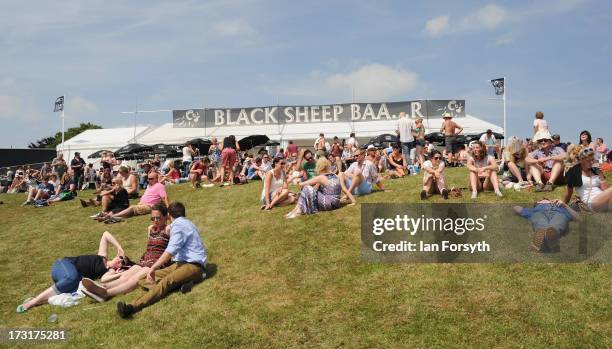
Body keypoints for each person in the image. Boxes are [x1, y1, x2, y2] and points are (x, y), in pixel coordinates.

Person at [116, 202, 208, 318]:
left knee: (165, 282)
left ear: (169, 214)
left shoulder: (178, 225)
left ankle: (131, 308)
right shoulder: (188, 223)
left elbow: (170, 251)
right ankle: (179, 285)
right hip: (180, 263)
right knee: (143, 279)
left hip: (194, 266)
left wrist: (153, 267)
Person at [16, 231, 128, 313]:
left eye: (122, 261)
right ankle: (33, 302)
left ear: (119, 268)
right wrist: (120, 247)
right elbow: (105, 234)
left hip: (69, 279)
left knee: (74, 287)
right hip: (63, 265)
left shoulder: (109, 271)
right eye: (121, 257)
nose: (119, 258)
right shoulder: (102, 256)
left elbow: (105, 280)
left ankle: (41, 300)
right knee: (73, 278)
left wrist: (119, 273)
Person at [81, 203, 172, 302]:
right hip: (145, 260)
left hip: (157, 263)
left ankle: (106, 294)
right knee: (125, 276)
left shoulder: (168, 229)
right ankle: (102, 287)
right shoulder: (150, 229)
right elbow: (150, 247)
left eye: (158, 218)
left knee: (134, 279)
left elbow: (173, 246)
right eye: (152, 218)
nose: (155, 221)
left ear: (165, 217)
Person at [285, 158, 354, 218]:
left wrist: (295, 180)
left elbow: (302, 184)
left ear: (319, 167)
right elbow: (344, 189)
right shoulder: (334, 175)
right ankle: (296, 210)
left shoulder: (321, 177)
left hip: (328, 204)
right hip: (336, 204)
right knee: (310, 190)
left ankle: (298, 211)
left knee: (306, 188)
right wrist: (353, 201)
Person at [513, 198, 581, 252]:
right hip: (539, 213)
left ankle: (545, 240)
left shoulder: (563, 208)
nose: (547, 201)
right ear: (537, 203)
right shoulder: (534, 210)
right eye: (542, 200)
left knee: (557, 223)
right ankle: (548, 239)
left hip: (560, 213)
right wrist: (533, 207)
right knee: (540, 221)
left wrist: (565, 205)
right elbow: (516, 208)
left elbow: (578, 218)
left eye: (549, 200)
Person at [98, 172, 169, 222]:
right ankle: (113, 216)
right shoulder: (149, 186)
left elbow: (164, 197)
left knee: (132, 208)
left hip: (148, 206)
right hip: (141, 204)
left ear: (156, 179)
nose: (148, 180)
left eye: (151, 179)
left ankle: (111, 216)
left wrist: (168, 209)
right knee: (130, 211)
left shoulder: (159, 186)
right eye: (148, 178)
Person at [563, 147, 611, 212]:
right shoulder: (574, 171)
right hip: (592, 203)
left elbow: (606, 190)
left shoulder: (595, 170)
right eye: (588, 160)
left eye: (592, 159)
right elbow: (569, 192)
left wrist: (600, 175)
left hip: (604, 200)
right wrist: (563, 205)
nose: (591, 162)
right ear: (581, 160)